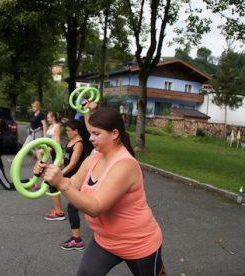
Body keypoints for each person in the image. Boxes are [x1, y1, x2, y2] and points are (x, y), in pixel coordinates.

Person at [35, 105, 166, 275]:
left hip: (137, 242)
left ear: (114, 134)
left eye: (96, 134)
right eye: (90, 133)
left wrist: (61, 183)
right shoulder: (95, 158)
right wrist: (49, 173)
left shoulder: (125, 165)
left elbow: (96, 208)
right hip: (105, 240)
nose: (90, 138)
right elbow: (72, 183)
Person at [59, 119, 87, 250]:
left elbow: (73, 164)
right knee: (73, 206)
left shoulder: (79, 143)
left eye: (69, 130)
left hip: (78, 177)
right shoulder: (71, 140)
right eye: (66, 130)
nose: (67, 132)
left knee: (72, 207)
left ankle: (77, 240)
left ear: (76, 131)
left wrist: (60, 174)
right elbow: (65, 159)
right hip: (70, 176)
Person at [40, 111, 66, 221]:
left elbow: (56, 141)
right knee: (51, 180)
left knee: (53, 181)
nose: (48, 119)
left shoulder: (57, 126)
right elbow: (46, 138)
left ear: (54, 117)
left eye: (49, 117)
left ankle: (59, 211)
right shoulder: (51, 126)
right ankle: (58, 209)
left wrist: (49, 150)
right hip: (50, 151)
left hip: (55, 152)